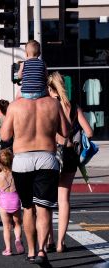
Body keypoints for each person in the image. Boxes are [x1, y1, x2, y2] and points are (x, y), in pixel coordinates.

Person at [0, 94, 68, 267]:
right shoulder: (53, 104)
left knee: (28, 208)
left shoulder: (16, 105)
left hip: (22, 160)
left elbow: (5, 135)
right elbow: (65, 132)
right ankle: (41, 250)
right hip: (47, 158)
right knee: (44, 208)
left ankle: (31, 252)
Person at [46, 71, 93, 253]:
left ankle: (49, 239)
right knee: (64, 199)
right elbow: (89, 132)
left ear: (51, 89)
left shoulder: (49, 105)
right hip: (70, 154)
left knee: (47, 199)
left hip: (52, 155)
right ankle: (60, 243)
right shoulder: (73, 106)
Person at [0, 149, 24, 256]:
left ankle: (8, 249)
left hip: (4, 203)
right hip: (15, 201)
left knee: (6, 227)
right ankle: (18, 239)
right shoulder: (16, 174)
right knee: (17, 224)